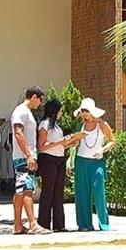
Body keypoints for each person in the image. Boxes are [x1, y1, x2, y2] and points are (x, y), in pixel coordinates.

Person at [68, 98, 115, 231]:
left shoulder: (102, 124)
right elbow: (74, 144)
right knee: (81, 193)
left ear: (92, 111)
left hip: (96, 162)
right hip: (81, 161)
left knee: (99, 191)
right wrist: (70, 159)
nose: (84, 114)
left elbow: (112, 141)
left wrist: (102, 150)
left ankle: (104, 224)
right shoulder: (80, 126)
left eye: (86, 111)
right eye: (82, 111)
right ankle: (84, 224)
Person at [10, 86, 50, 235]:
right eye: (40, 100)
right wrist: (28, 155)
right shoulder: (21, 111)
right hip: (23, 157)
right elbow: (18, 133)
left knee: (20, 190)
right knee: (27, 188)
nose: (40, 104)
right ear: (34, 97)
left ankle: (18, 225)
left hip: (24, 156)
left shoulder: (25, 112)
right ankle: (33, 224)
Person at [37, 99, 71, 232]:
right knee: (48, 191)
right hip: (48, 159)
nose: (61, 113)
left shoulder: (57, 126)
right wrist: (60, 142)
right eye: (60, 110)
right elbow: (41, 146)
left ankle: (59, 224)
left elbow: (58, 144)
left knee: (58, 192)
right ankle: (43, 224)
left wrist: (70, 142)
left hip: (59, 158)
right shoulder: (44, 124)